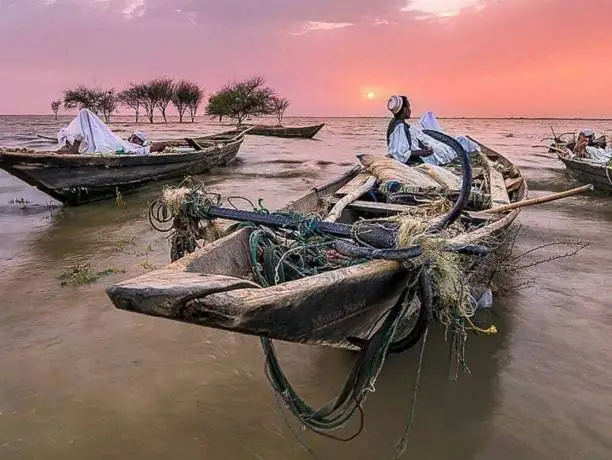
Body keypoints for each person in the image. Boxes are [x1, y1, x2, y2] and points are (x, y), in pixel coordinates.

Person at [57, 109, 166, 155]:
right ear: (130, 137)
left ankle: (74, 149)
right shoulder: (127, 143)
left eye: (137, 139)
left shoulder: (137, 149)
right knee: (85, 128)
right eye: (133, 137)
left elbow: (161, 145)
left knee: (85, 113)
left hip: (111, 145)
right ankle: (72, 145)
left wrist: (150, 146)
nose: (133, 139)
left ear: (140, 142)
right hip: (111, 141)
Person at [386, 95, 457, 166]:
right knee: (445, 153)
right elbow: (399, 154)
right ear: (404, 109)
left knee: (442, 149)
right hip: (416, 161)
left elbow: (409, 141)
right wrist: (421, 152)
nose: (410, 110)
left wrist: (423, 147)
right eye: (409, 107)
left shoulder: (396, 122)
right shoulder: (399, 127)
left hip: (417, 158)